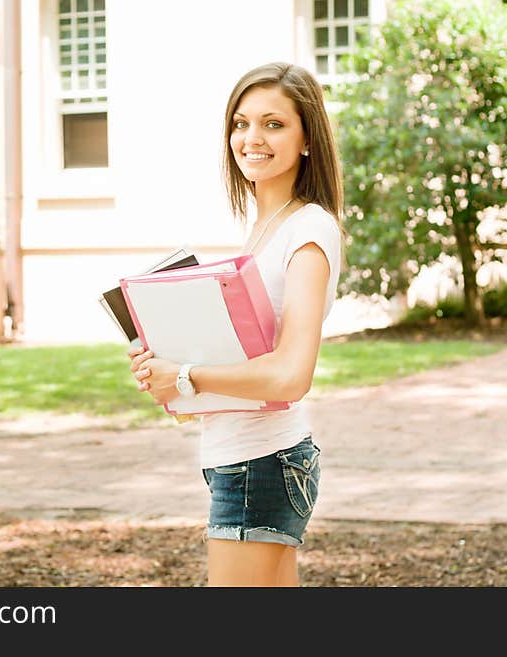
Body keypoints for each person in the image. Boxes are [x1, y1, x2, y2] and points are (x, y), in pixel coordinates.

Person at [128, 62, 345, 587]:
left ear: (307, 139)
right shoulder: (265, 231)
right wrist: (165, 366)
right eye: (241, 123)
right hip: (249, 457)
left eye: (274, 124)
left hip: (261, 460)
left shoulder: (308, 230)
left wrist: (187, 375)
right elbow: (246, 356)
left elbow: (291, 376)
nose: (252, 138)